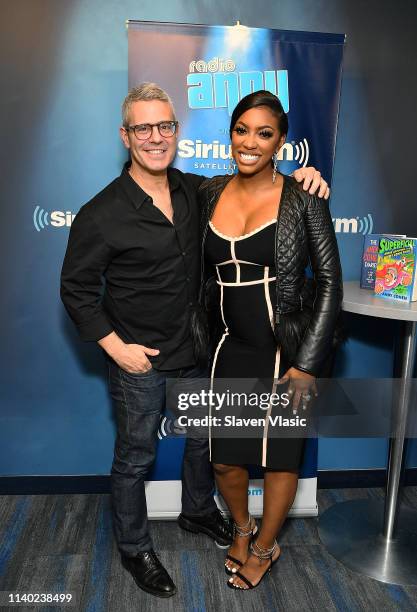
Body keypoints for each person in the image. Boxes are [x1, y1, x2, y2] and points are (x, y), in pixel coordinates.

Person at [60, 83, 330, 599]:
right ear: (125, 136)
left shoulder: (194, 191)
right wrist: (116, 348)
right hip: (143, 361)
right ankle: (135, 546)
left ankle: (198, 514)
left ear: (176, 132)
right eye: (143, 127)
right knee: (135, 457)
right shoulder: (101, 212)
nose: (156, 137)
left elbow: (258, 191)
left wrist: (307, 178)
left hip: (203, 353)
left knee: (205, 447)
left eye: (165, 125)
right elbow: (74, 290)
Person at [198, 90, 343, 590]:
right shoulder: (209, 192)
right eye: (241, 130)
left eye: (264, 133)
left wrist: (307, 363)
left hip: (287, 352)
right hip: (228, 348)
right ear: (230, 135)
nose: (250, 142)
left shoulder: (304, 199)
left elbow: (330, 283)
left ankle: (265, 546)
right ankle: (242, 528)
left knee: (281, 457)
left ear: (281, 141)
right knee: (224, 458)